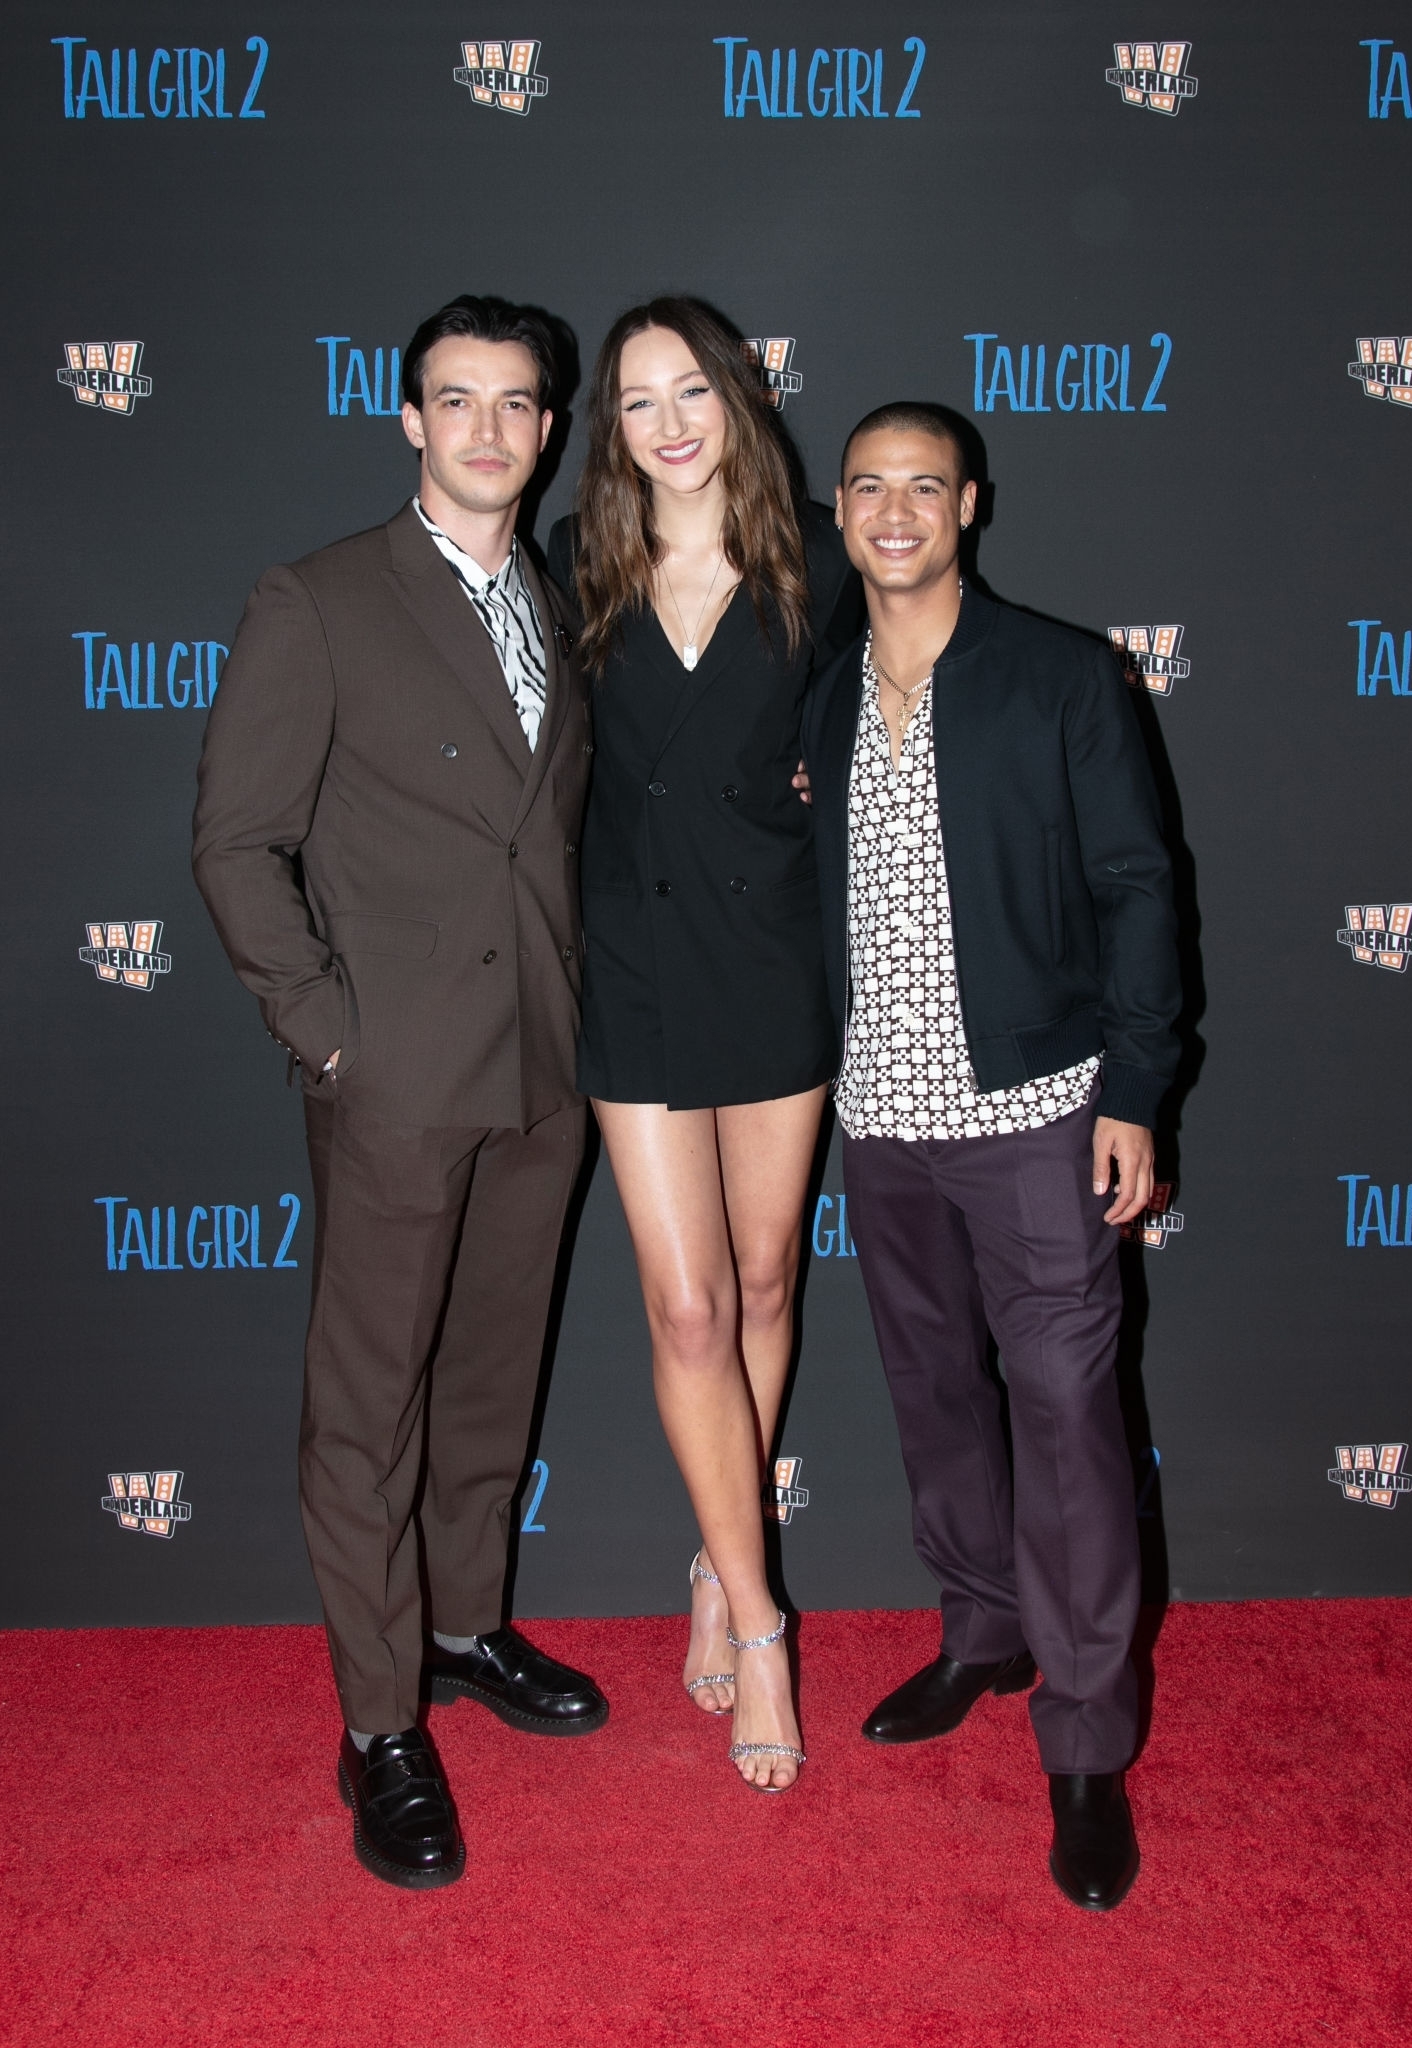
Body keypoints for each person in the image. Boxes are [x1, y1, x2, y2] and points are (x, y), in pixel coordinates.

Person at [192, 295, 608, 1892]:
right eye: (457, 399)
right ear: (411, 419)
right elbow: (238, 842)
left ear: (548, 429)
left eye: (517, 403)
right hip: (397, 1080)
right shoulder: (318, 599)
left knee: (492, 1378)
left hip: (545, 1070)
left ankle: (463, 1625)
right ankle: (378, 1724)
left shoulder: (558, 603)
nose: (488, 429)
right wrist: (330, 1037)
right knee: (369, 1409)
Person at [801, 403, 1180, 1906]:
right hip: (879, 1122)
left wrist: (1136, 1090)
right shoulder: (824, 694)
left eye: (925, 487)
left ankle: (1085, 1743)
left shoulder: (1062, 675)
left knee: (1069, 1420)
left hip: (1037, 1117)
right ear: (841, 510)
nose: (895, 511)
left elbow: (1139, 885)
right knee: (933, 1396)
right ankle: (983, 1631)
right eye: (869, 487)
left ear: (971, 506)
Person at [548, 298, 862, 1792]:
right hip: (632, 960)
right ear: (609, 428)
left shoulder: (819, 557)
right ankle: (761, 1621)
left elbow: (889, 720)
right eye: (637, 400)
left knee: (763, 1281)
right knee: (687, 1311)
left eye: (692, 390)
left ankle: (710, 1557)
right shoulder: (576, 559)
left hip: (773, 955)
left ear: (740, 396)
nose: (669, 422)